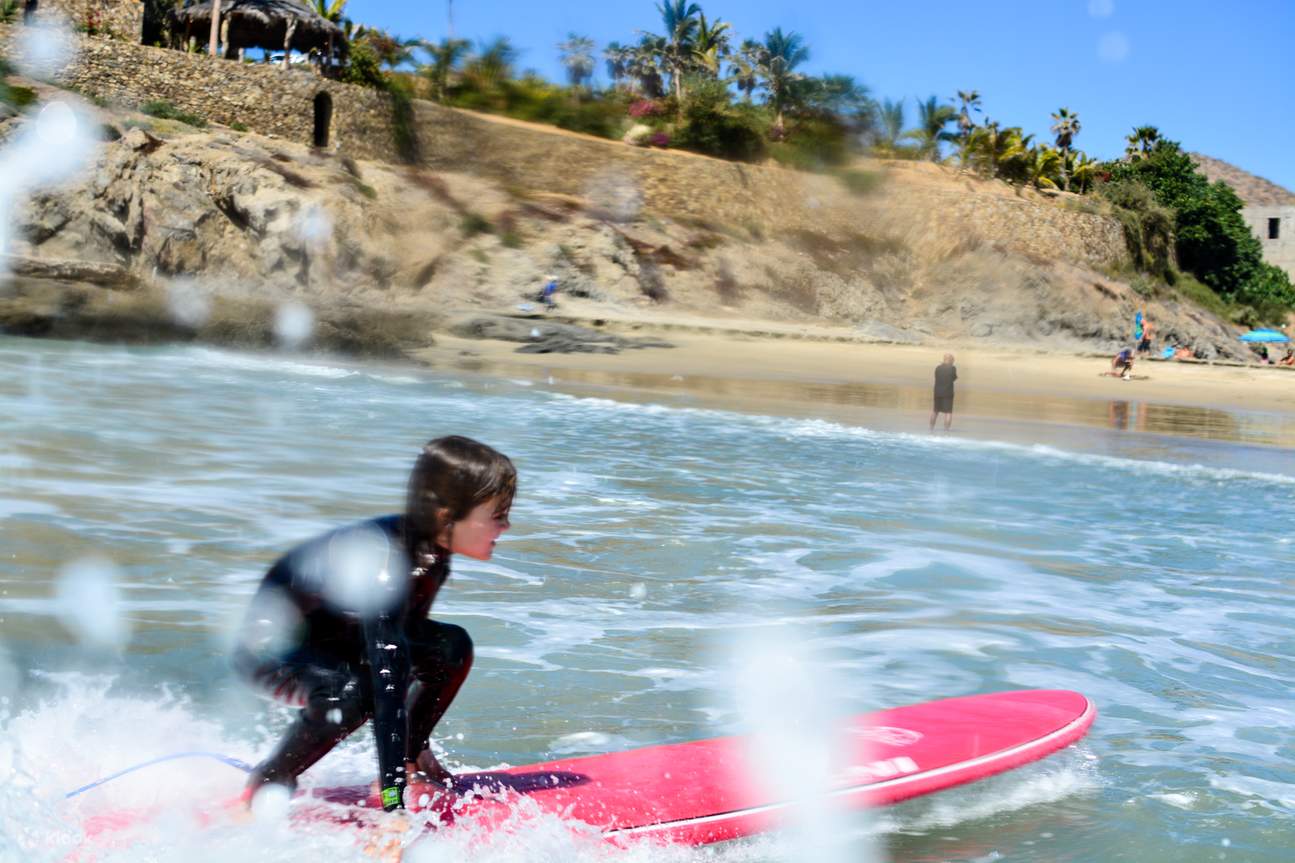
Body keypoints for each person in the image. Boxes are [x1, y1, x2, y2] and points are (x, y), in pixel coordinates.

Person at [233, 436, 516, 811]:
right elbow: (388, 687)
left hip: (337, 640)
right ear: (448, 515)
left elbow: (400, 656)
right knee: (353, 692)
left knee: (450, 647)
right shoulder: (389, 565)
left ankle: (414, 758)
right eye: (498, 515)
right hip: (273, 651)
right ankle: (269, 780)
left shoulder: (432, 552)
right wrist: (393, 807)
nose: (507, 526)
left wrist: (404, 759)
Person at [929, 353, 957, 431]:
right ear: (951, 360)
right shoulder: (952, 368)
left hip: (937, 392)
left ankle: (931, 428)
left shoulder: (938, 368)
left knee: (935, 411)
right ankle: (946, 430)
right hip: (948, 393)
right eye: (953, 360)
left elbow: (937, 376)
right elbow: (954, 378)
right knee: (948, 412)